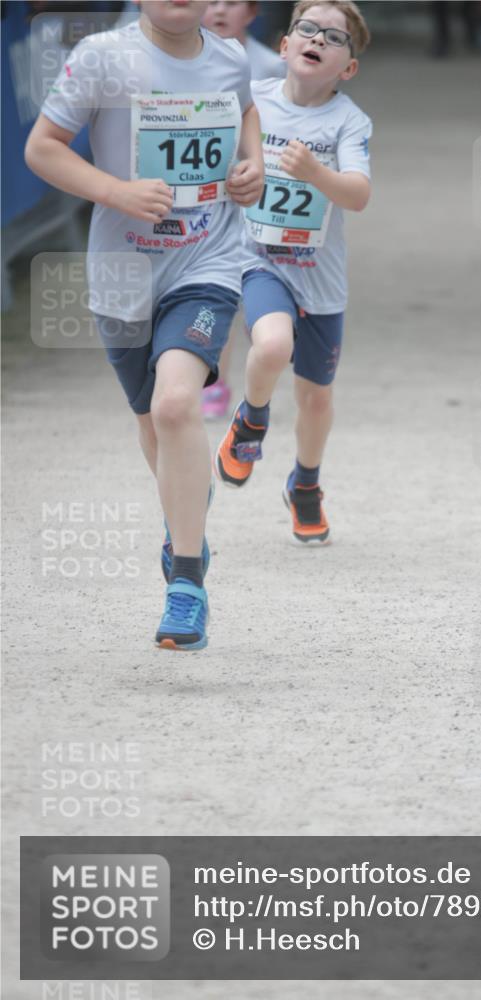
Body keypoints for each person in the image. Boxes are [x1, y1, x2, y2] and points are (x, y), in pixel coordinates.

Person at [25, 0, 264, 650]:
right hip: (123, 272)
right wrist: (116, 191)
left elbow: (245, 110)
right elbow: (41, 149)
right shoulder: (102, 56)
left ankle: (186, 583)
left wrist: (254, 164)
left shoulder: (230, 57)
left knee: (177, 404)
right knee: (151, 420)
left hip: (207, 260)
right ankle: (186, 523)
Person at [214, 0, 372, 545]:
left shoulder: (349, 120)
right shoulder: (251, 100)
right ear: (283, 44)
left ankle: (305, 483)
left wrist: (315, 172)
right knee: (272, 344)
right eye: (306, 29)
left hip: (321, 277)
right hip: (261, 260)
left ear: (347, 68)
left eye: (333, 37)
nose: (317, 39)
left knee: (316, 399)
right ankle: (251, 420)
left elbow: (359, 194)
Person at [201, 0, 286, 420]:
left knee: (249, 292)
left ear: (252, 12)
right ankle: (213, 379)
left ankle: (254, 383)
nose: (219, 11)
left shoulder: (271, 66)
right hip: (207, 198)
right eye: (211, 1)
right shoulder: (185, 60)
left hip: (260, 196)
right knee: (215, 289)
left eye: (231, 2)